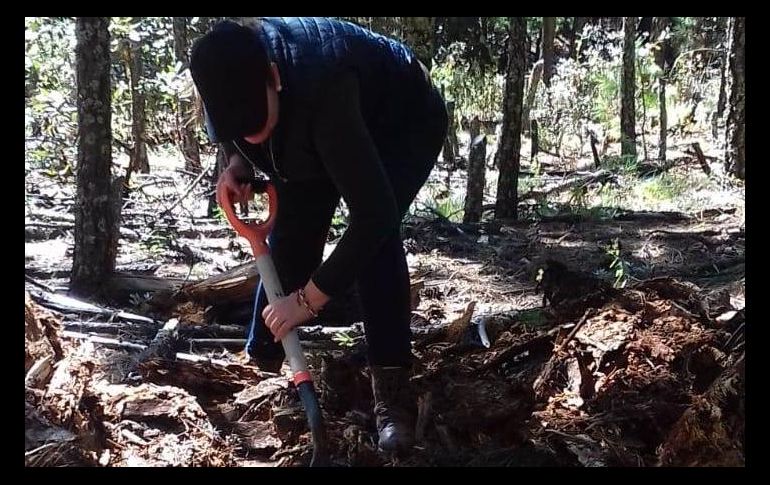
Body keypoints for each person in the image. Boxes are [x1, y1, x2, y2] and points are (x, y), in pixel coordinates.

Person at [190, 17, 447, 453]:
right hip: (310, 125)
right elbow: (237, 129)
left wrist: (308, 300)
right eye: (239, 127)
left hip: (401, 122)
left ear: (274, 78)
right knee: (293, 231)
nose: (252, 134)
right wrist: (236, 161)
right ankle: (263, 362)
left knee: (376, 244)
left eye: (257, 121)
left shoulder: (325, 87)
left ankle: (392, 393)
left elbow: (373, 215)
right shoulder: (227, 71)